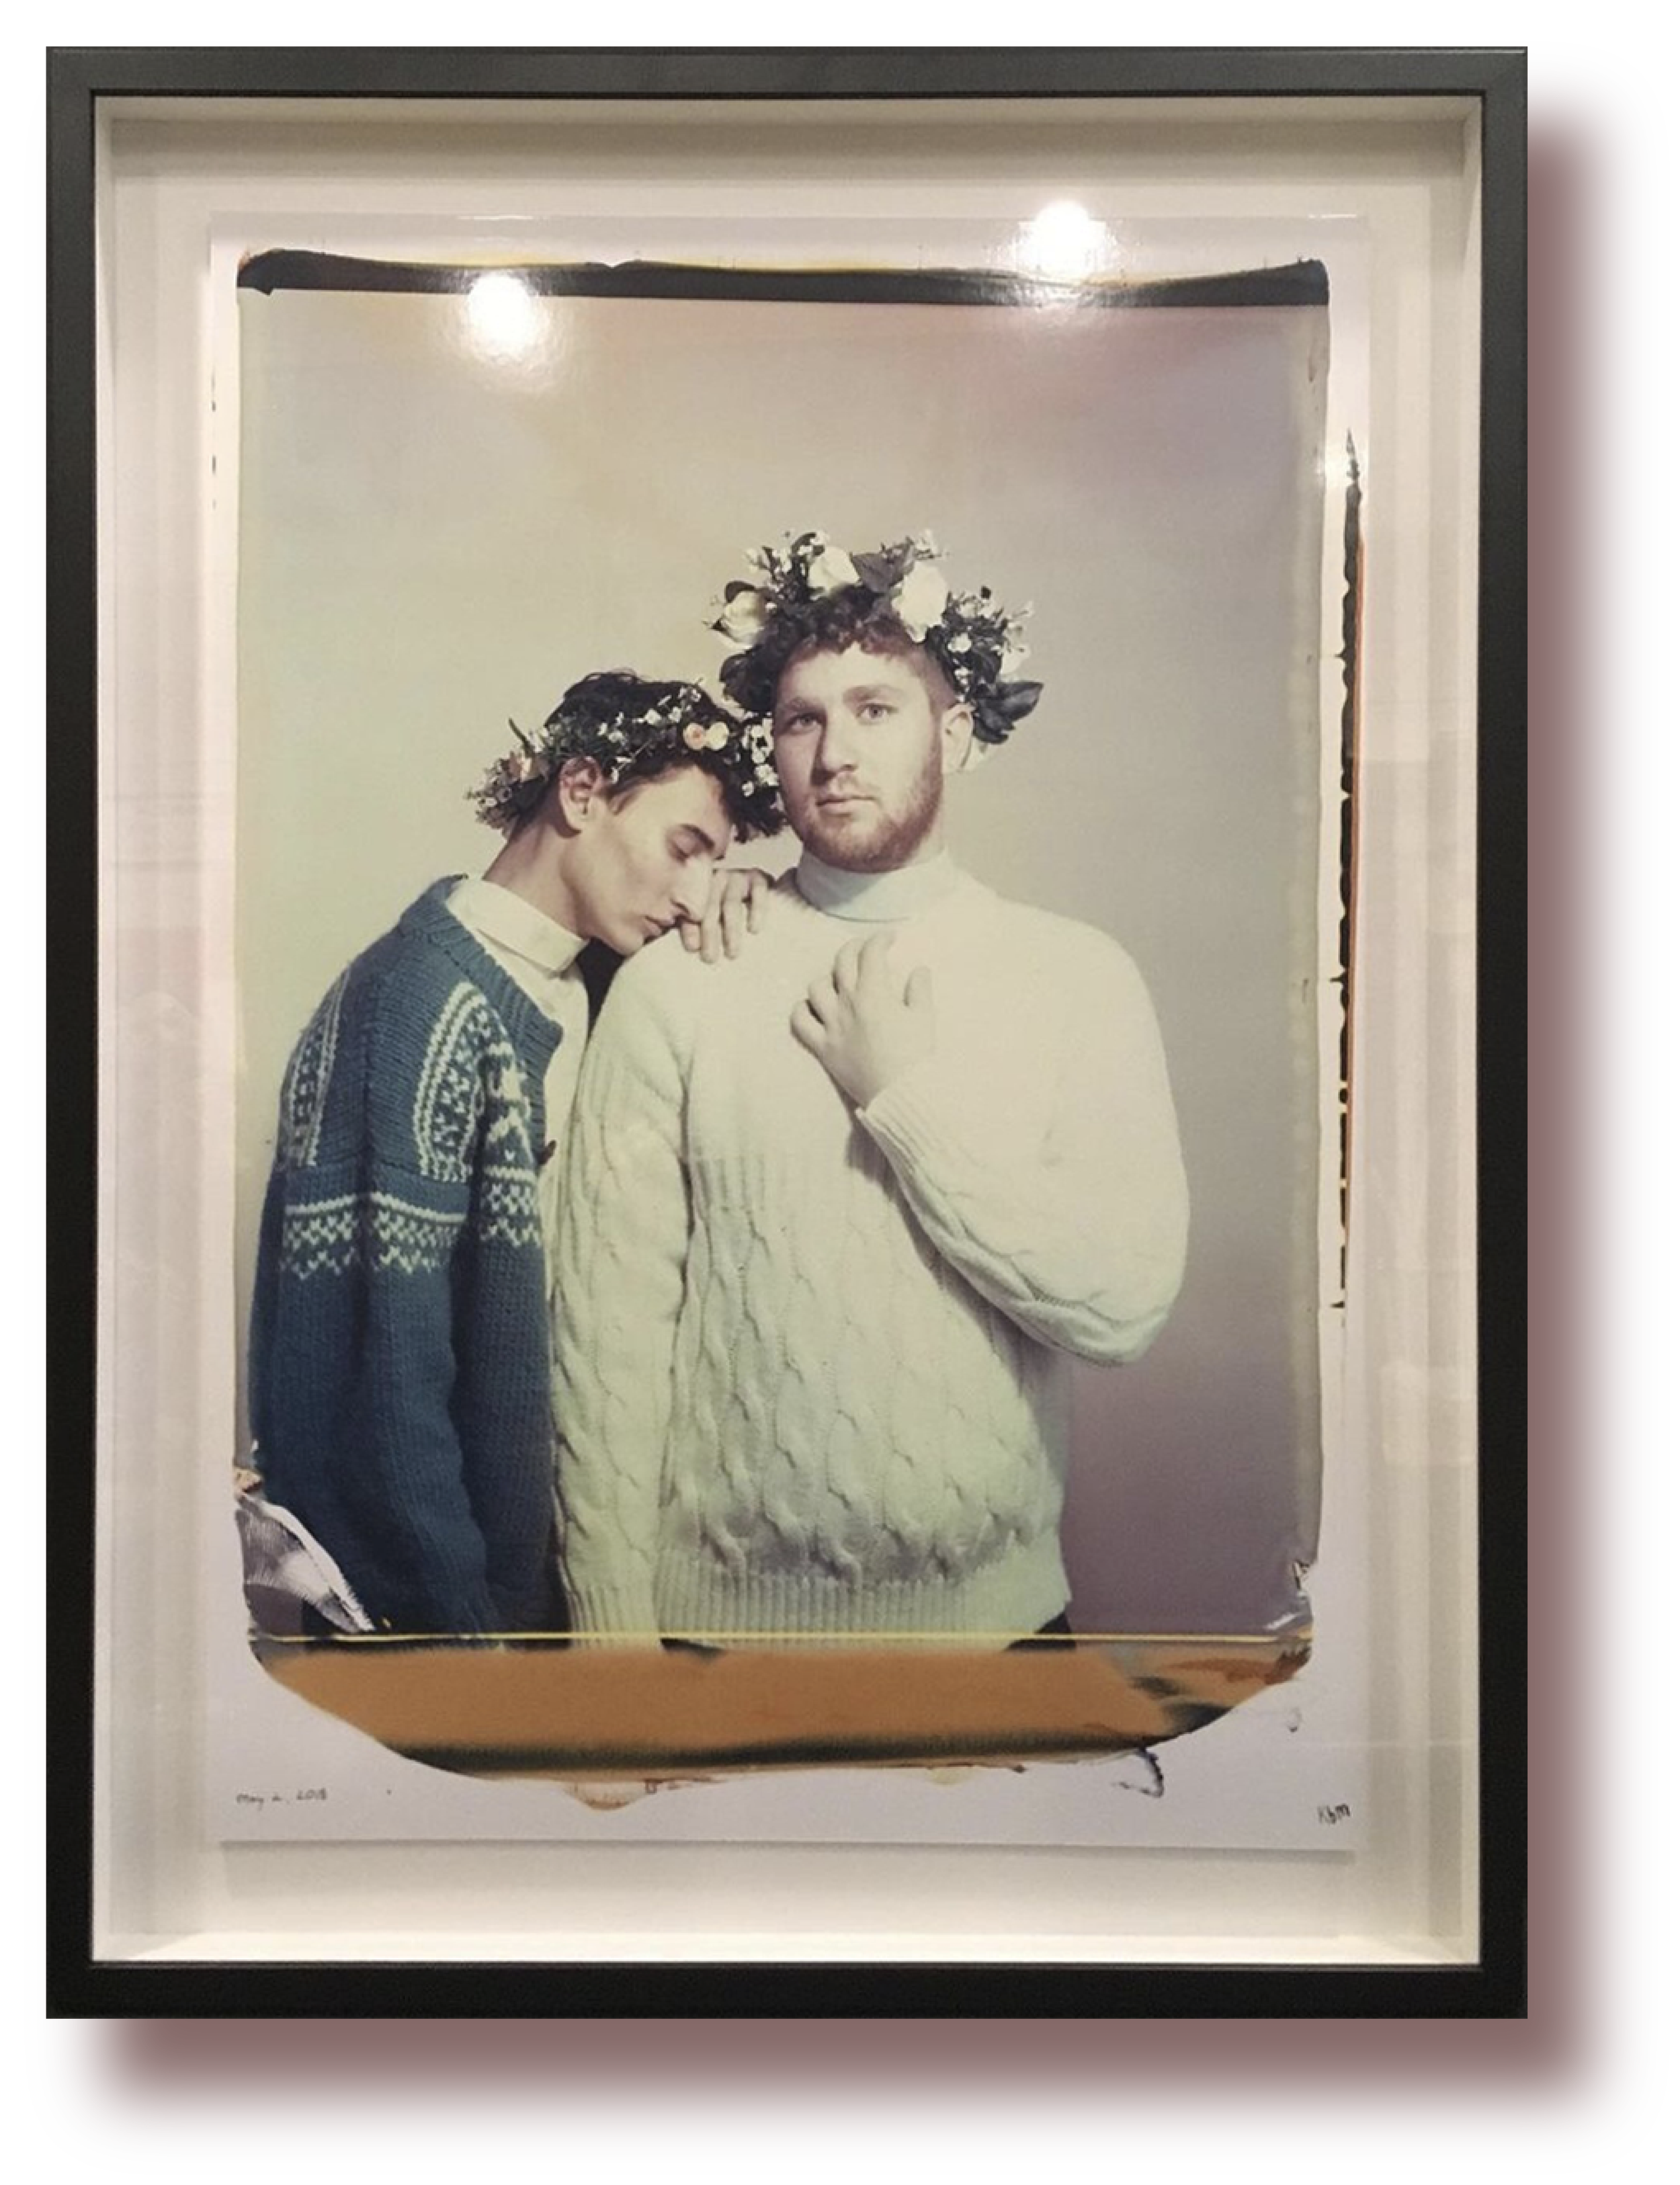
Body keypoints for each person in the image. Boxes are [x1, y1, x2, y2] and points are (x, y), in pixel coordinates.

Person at [552, 534, 1189, 1649]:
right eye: (802, 720)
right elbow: (606, 1343)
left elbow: (1123, 1305)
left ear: (954, 732)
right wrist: (612, 1652)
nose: (834, 752)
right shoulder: (681, 981)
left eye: (875, 710)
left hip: (1002, 1640)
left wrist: (906, 1105)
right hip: (721, 1652)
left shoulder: (1076, 975)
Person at [239, 670, 784, 1637]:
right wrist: (471, 1635)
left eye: (713, 861)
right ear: (580, 791)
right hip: (456, 1610)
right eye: (683, 847)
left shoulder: (595, 977)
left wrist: (759, 897)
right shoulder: (414, 1009)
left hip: (562, 1576)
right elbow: (386, 1384)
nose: (695, 890)